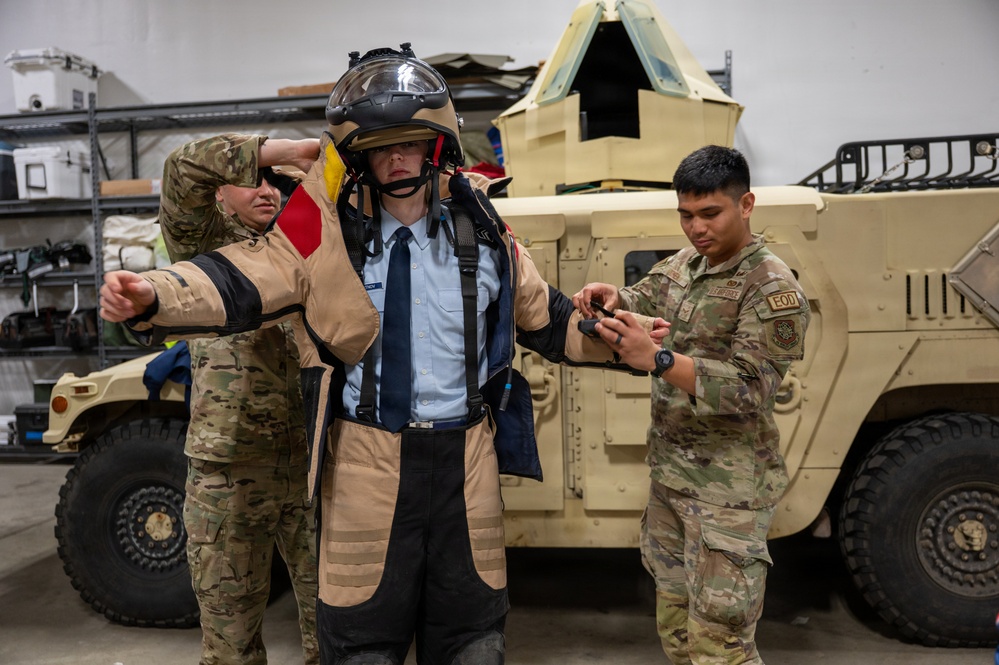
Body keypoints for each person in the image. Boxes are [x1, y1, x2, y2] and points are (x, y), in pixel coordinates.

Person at [98, 44, 636, 665]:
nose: (396, 160)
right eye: (380, 149)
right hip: (363, 466)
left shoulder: (485, 227)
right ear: (358, 158)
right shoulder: (322, 228)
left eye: (408, 143)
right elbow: (237, 278)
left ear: (438, 143)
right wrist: (150, 295)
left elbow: (548, 320)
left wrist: (615, 336)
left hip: (468, 465)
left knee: (473, 646)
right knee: (359, 647)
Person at [572, 145, 810, 664]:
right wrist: (615, 297)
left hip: (728, 496)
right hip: (672, 479)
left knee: (721, 647)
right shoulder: (689, 263)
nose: (696, 228)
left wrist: (657, 360)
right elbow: (648, 294)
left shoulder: (770, 287)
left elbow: (753, 387)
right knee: (678, 634)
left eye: (710, 214)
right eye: (686, 215)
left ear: (745, 204)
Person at [158, 132, 322, 665]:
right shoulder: (205, 246)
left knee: (342, 632)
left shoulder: (313, 247)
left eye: (275, 183)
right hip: (230, 469)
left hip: (318, 466)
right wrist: (279, 153)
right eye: (249, 178)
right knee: (230, 642)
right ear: (219, 195)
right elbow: (181, 168)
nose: (265, 189)